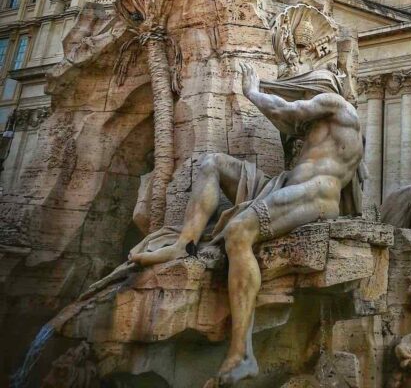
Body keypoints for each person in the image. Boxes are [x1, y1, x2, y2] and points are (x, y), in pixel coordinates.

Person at [129, 63, 364, 385]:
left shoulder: (337, 104)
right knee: (212, 163)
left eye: (306, 92)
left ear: (316, 90)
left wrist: (252, 91)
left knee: (239, 232)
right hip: (284, 187)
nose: (307, 98)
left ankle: (243, 354)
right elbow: (286, 116)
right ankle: (184, 243)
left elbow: (288, 109)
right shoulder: (317, 124)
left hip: (318, 194)